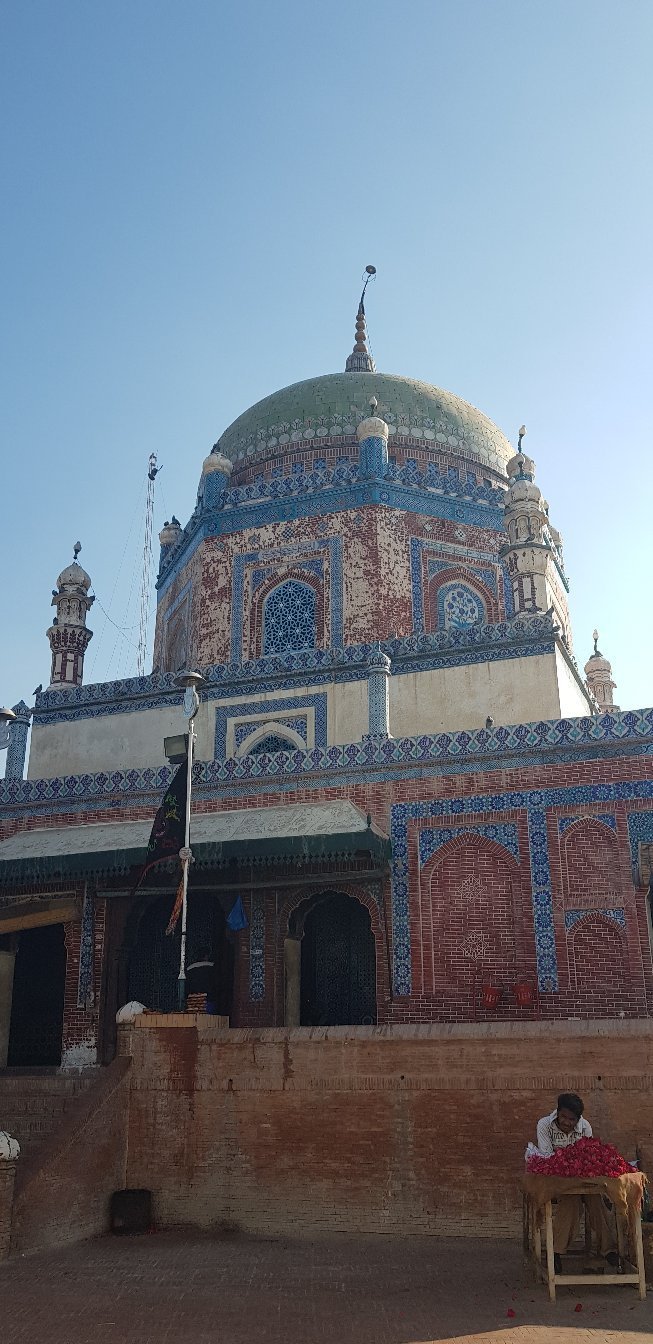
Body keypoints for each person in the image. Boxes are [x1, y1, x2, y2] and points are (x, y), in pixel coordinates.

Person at [535, 1092, 617, 1271]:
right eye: (563, 1116)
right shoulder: (544, 1125)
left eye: (571, 1119)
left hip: (583, 1181)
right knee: (571, 1202)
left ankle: (608, 1249)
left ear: (578, 1119)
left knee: (596, 1200)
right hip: (557, 1181)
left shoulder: (585, 1127)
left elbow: (589, 1157)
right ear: (557, 1112)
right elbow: (548, 1158)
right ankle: (556, 1252)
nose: (566, 1122)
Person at [185, 946, 218, 1013]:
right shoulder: (213, 967)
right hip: (209, 999)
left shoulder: (189, 969)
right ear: (207, 956)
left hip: (193, 1000)